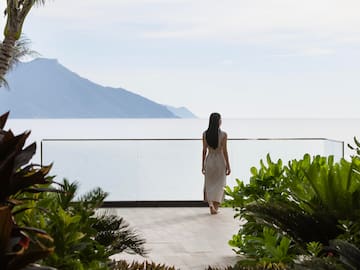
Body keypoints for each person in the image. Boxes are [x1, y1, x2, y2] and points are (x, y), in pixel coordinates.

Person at [202, 112, 231, 215]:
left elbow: (204, 150)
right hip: (220, 160)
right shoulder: (224, 135)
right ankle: (215, 207)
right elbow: (225, 151)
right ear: (218, 121)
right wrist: (228, 165)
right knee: (220, 184)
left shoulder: (205, 134)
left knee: (209, 183)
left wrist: (203, 165)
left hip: (209, 160)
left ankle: (210, 204)